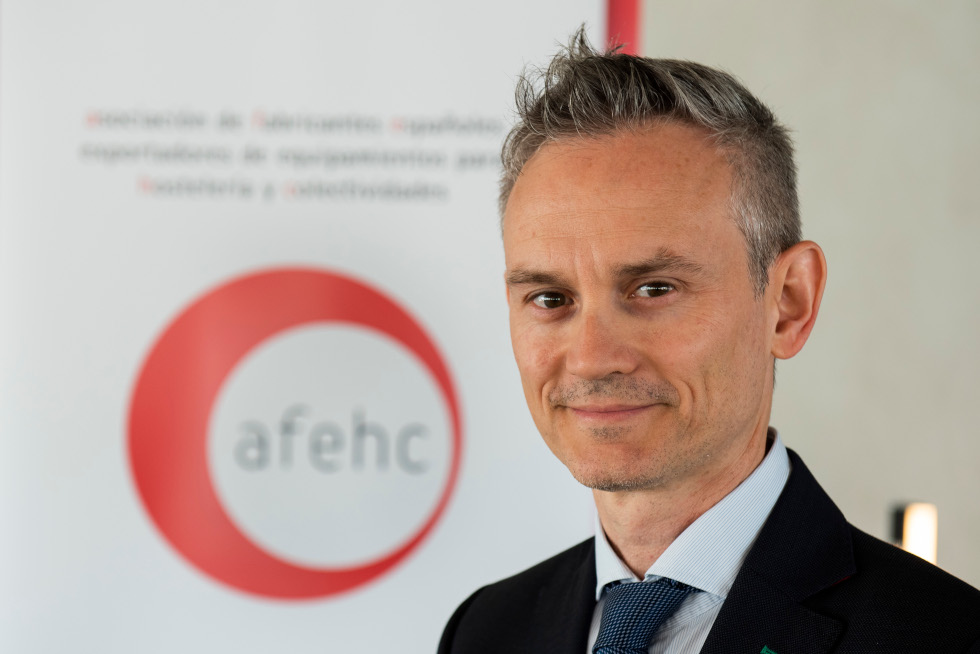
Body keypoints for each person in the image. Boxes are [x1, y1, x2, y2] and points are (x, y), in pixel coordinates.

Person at [438, 28, 980, 654]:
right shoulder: (486, 630)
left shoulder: (944, 639)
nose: (590, 358)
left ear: (788, 303)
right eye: (550, 299)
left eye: (653, 289)